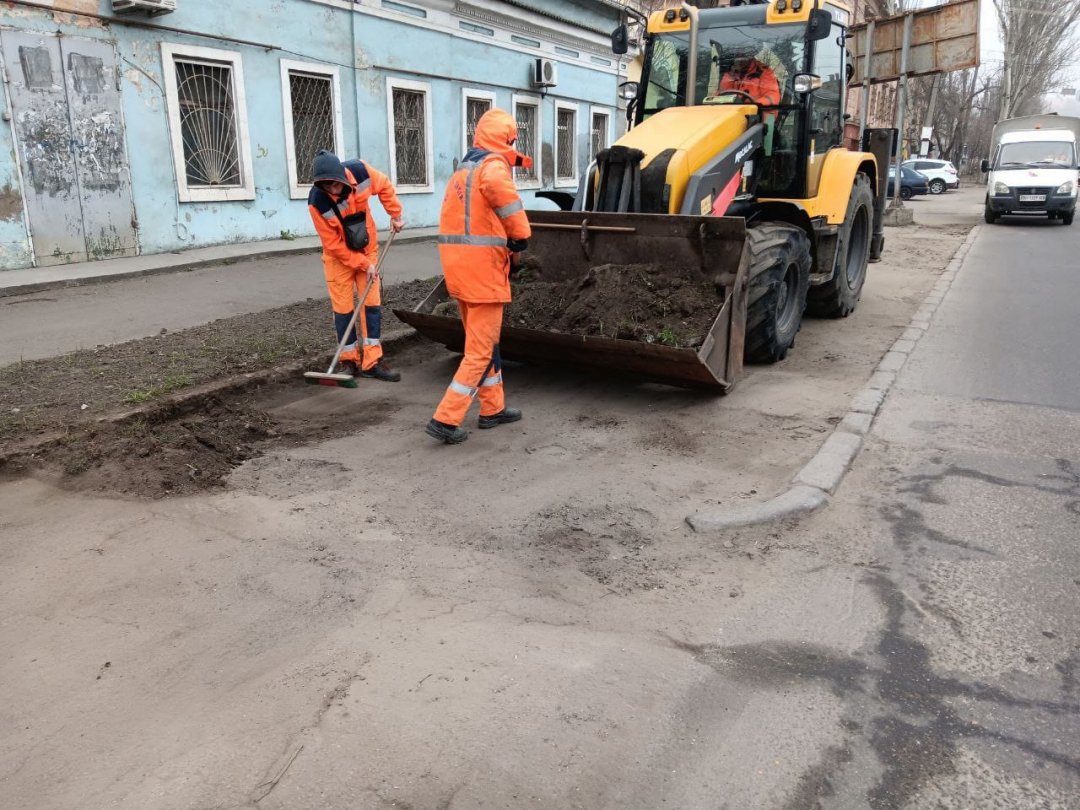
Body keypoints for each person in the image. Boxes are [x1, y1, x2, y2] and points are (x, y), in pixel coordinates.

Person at [425, 109, 533, 444]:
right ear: (506, 138)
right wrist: (520, 237)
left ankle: (492, 409)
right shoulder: (493, 166)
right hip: (483, 273)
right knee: (480, 351)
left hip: (460, 271)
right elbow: (506, 200)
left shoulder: (465, 169)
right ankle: (445, 419)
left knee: (484, 344)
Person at [308, 150, 404, 382]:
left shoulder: (361, 173)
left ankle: (372, 362)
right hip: (338, 257)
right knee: (343, 309)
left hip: (366, 249)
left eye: (335, 184)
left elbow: (385, 186)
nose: (332, 190)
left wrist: (395, 214)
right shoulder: (316, 201)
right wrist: (362, 264)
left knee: (371, 305)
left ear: (342, 176)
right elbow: (332, 244)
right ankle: (348, 361)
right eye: (326, 186)